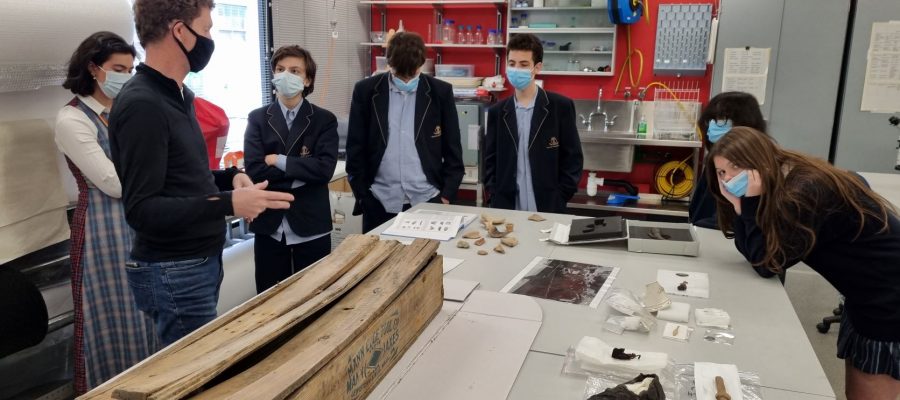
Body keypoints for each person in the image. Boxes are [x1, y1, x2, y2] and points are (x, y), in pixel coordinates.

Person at [110, 0, 293, 346]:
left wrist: (229, 178)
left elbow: (181, 175)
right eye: (206, 29)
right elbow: (142, 209)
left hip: (195, 261)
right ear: (179, 31)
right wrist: (228, 203)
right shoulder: (143, 105)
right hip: (174, 269)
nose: (210, 39)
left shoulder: (179, 95)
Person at [707, 127, 900, 399]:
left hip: (886, 301)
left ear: (760, 161)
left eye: (735, 168)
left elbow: (767, 262)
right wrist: (741, 208)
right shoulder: (789, 176)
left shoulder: (804, 190)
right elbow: (759, 249)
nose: (728, 179)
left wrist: (746, 205)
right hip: (864, 295)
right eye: (721, 172)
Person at [54, 31, 159, 393]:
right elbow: (113, 183)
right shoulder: (72, 119)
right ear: (93, 68)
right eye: (118, 68)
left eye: (130, 69)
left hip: (139, 221)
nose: (125, 77)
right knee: (116, 317)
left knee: (147, 313)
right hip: (103, 227)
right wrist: (153, 171)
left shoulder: (124, 110)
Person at [346, 32, 464, 233]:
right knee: (379, 263)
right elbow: (355, 148)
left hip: (428, 199)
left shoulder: (440, 92)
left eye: (412, 73)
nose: (407, 79)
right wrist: (363, 195)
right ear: (389, 63)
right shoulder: (366, 91)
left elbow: (453, 150)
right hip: (378, 200)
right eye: (400, 74)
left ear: (421, 64)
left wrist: (445, 196)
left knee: (427, 262)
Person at [244, 45, 338, 294]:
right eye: (280, 69)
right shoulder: (257, 118)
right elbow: (254, 169)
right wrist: (300, 172)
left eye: (295, 71)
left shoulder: (323, 120)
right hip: (270, 226)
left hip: (311, 224)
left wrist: (278, 161)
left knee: (315, 298)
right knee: (269, 301)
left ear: (307, 79)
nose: (286, 75)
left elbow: (324, 170)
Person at [484, 33, 584, 214]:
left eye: (523, 65)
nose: (516, 69)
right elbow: (489, 160)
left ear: (537, 67)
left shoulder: (560, 107)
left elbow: (573, 159)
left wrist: (561, 195)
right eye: (512, 63)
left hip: (548, 205)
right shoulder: (497, 112)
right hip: (506, 205)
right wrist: (493, 193)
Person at [688, 91, 766, 229]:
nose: (712, 127)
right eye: (711, 120)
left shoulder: (756, 169)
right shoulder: (715, 162)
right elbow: (700, 211)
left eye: (721, 121)